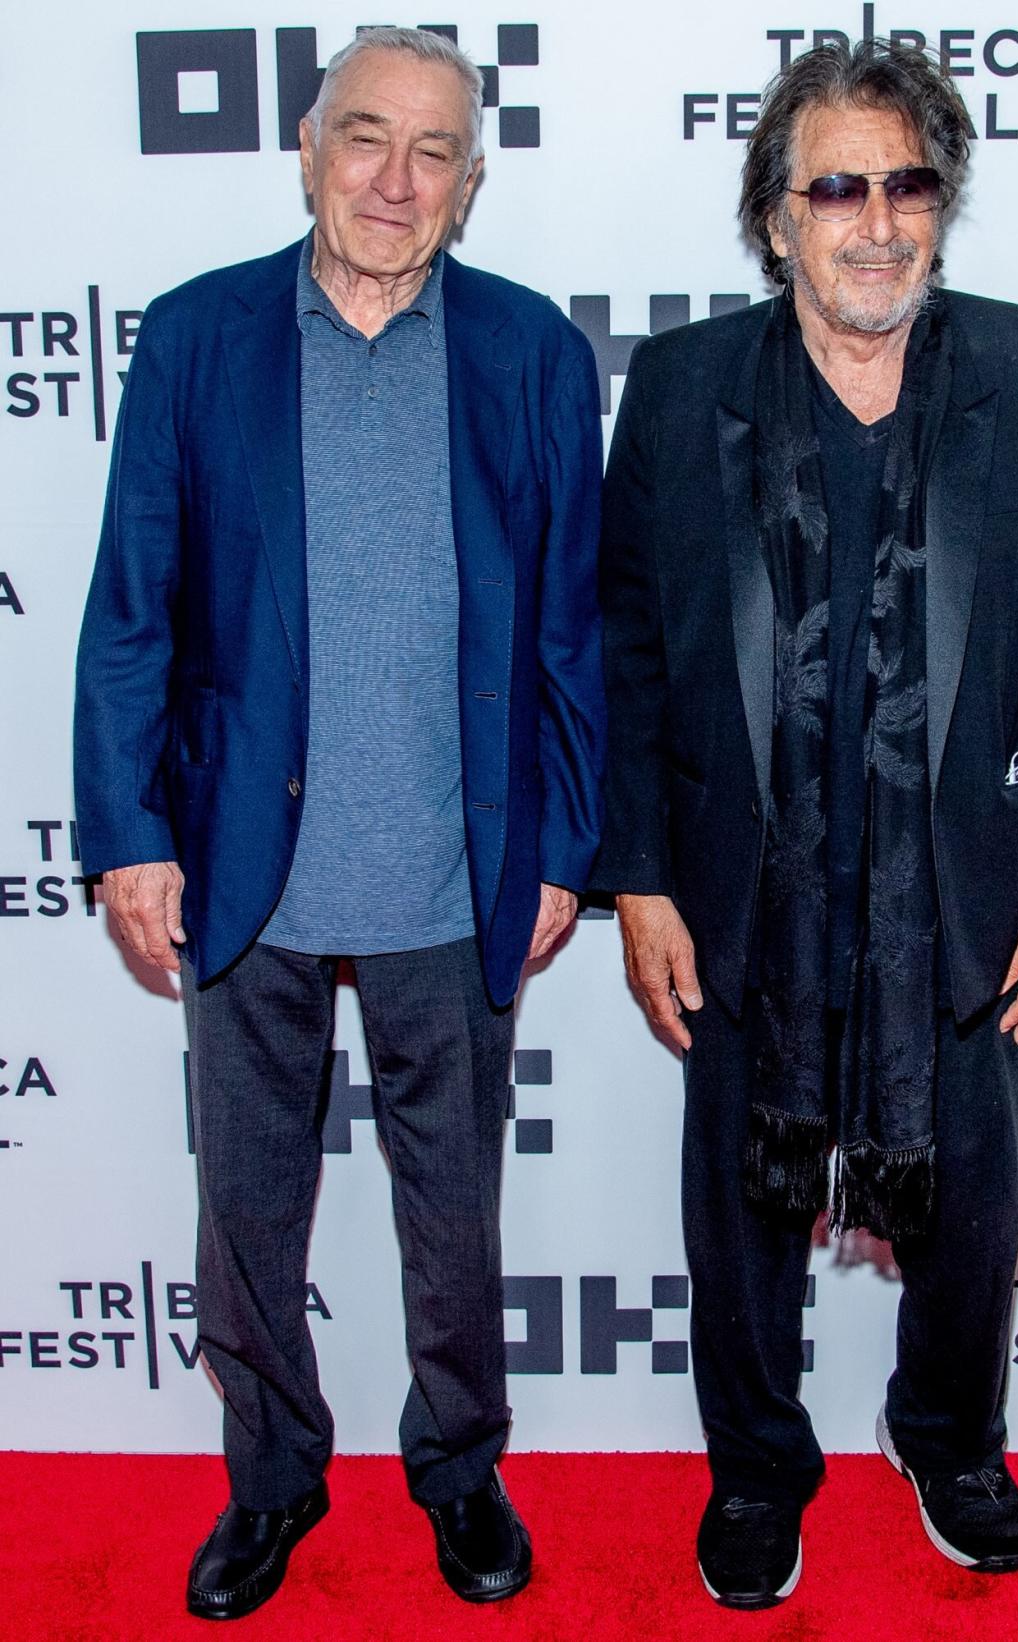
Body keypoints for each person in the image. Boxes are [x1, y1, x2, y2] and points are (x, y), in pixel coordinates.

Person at [74, 25, 603, 1621]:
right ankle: (273, 1476)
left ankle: (458, 1464)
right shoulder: (197, 336)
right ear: (306, 148)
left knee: (454, 1215)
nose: (393, 178)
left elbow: (572, 630)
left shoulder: (529, 353)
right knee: (246, 1211)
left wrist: (567, 846)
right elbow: (130, 613)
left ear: (471, 179)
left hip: (458, 874)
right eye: (365, 137)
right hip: (242, 866)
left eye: (432, 149)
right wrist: (127, 832)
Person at [593, 38, 1018, 1607]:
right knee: (740, 1215)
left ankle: (946, 1432)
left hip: (965, 887)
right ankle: (758, 1467)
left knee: (972, 1190)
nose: (875, 219)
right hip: (739, 882)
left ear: (941, 205)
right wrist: (635, 873)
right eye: (837, 184)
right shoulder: (688, 387)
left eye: (907, 182)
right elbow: (627, 642)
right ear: (776, 217)